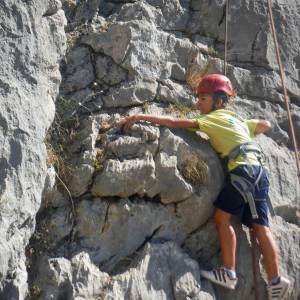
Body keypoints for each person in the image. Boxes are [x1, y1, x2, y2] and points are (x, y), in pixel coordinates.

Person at [117, 74, 290, 300]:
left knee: (221, 218)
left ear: (218, 100)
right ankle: (277, 280)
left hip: (243, 172)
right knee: (260, 228)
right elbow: (265, 124)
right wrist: (245, 131)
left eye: (203, 98)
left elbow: (176, 123)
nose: (198, 102)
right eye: (198, 97)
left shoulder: (213, 119)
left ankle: (229, 272)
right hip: (259, 173)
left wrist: (141, 115)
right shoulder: (238, 121)